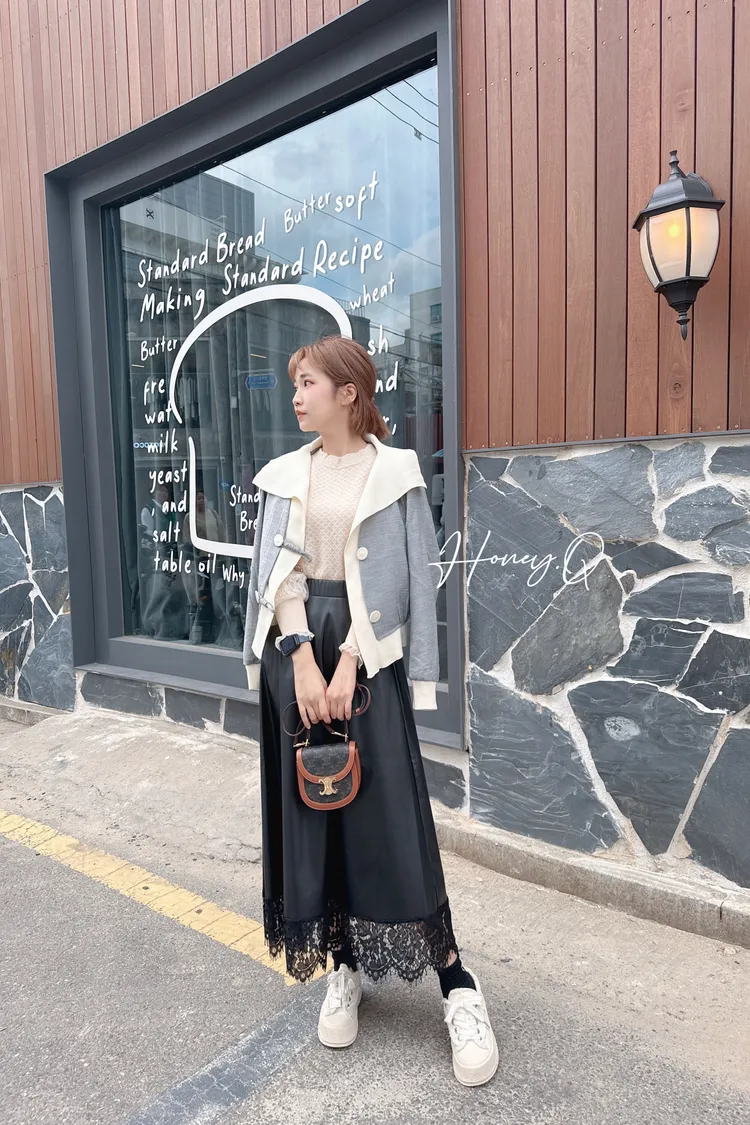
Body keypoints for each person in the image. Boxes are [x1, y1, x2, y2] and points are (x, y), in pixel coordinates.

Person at [242, 336, 498, 1087]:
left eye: (308, 382)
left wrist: (352, 657)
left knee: (390, 814)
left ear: (348, 392)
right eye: (296, 383)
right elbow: (273, 572)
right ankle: (344, 964)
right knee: (314, 809)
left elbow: (416, 577)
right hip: (297, 650)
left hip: (370, 657)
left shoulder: (396, 471)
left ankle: (456, 982)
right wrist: (300, 656)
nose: (297, 396)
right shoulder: (285, 474)